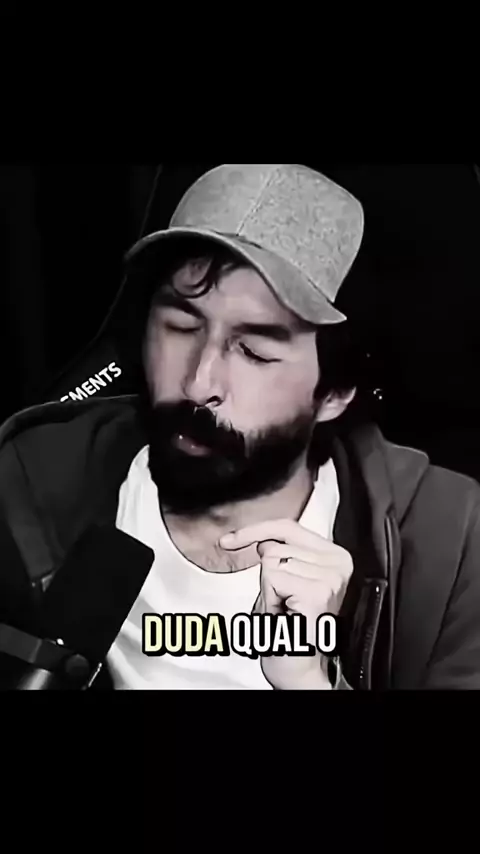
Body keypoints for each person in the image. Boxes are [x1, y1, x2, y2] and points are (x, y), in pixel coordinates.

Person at [1, 163, 480, 691]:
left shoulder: (450, 540)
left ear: (334, 393)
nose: (199, 383)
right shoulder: (26, 481)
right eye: (181, 326)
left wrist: (306, 682)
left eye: (253, 352)